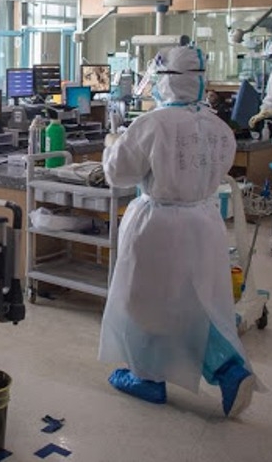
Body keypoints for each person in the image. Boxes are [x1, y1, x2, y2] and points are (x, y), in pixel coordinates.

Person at [100, 46, 257, 418]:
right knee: (196, 304)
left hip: (159, 227)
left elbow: (118, 174)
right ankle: (229, 370)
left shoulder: (152, 124)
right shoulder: (219, 128)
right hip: (204, 223)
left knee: (144, 303)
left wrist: (112, 145)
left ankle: (146, 377)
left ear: (165, 81)